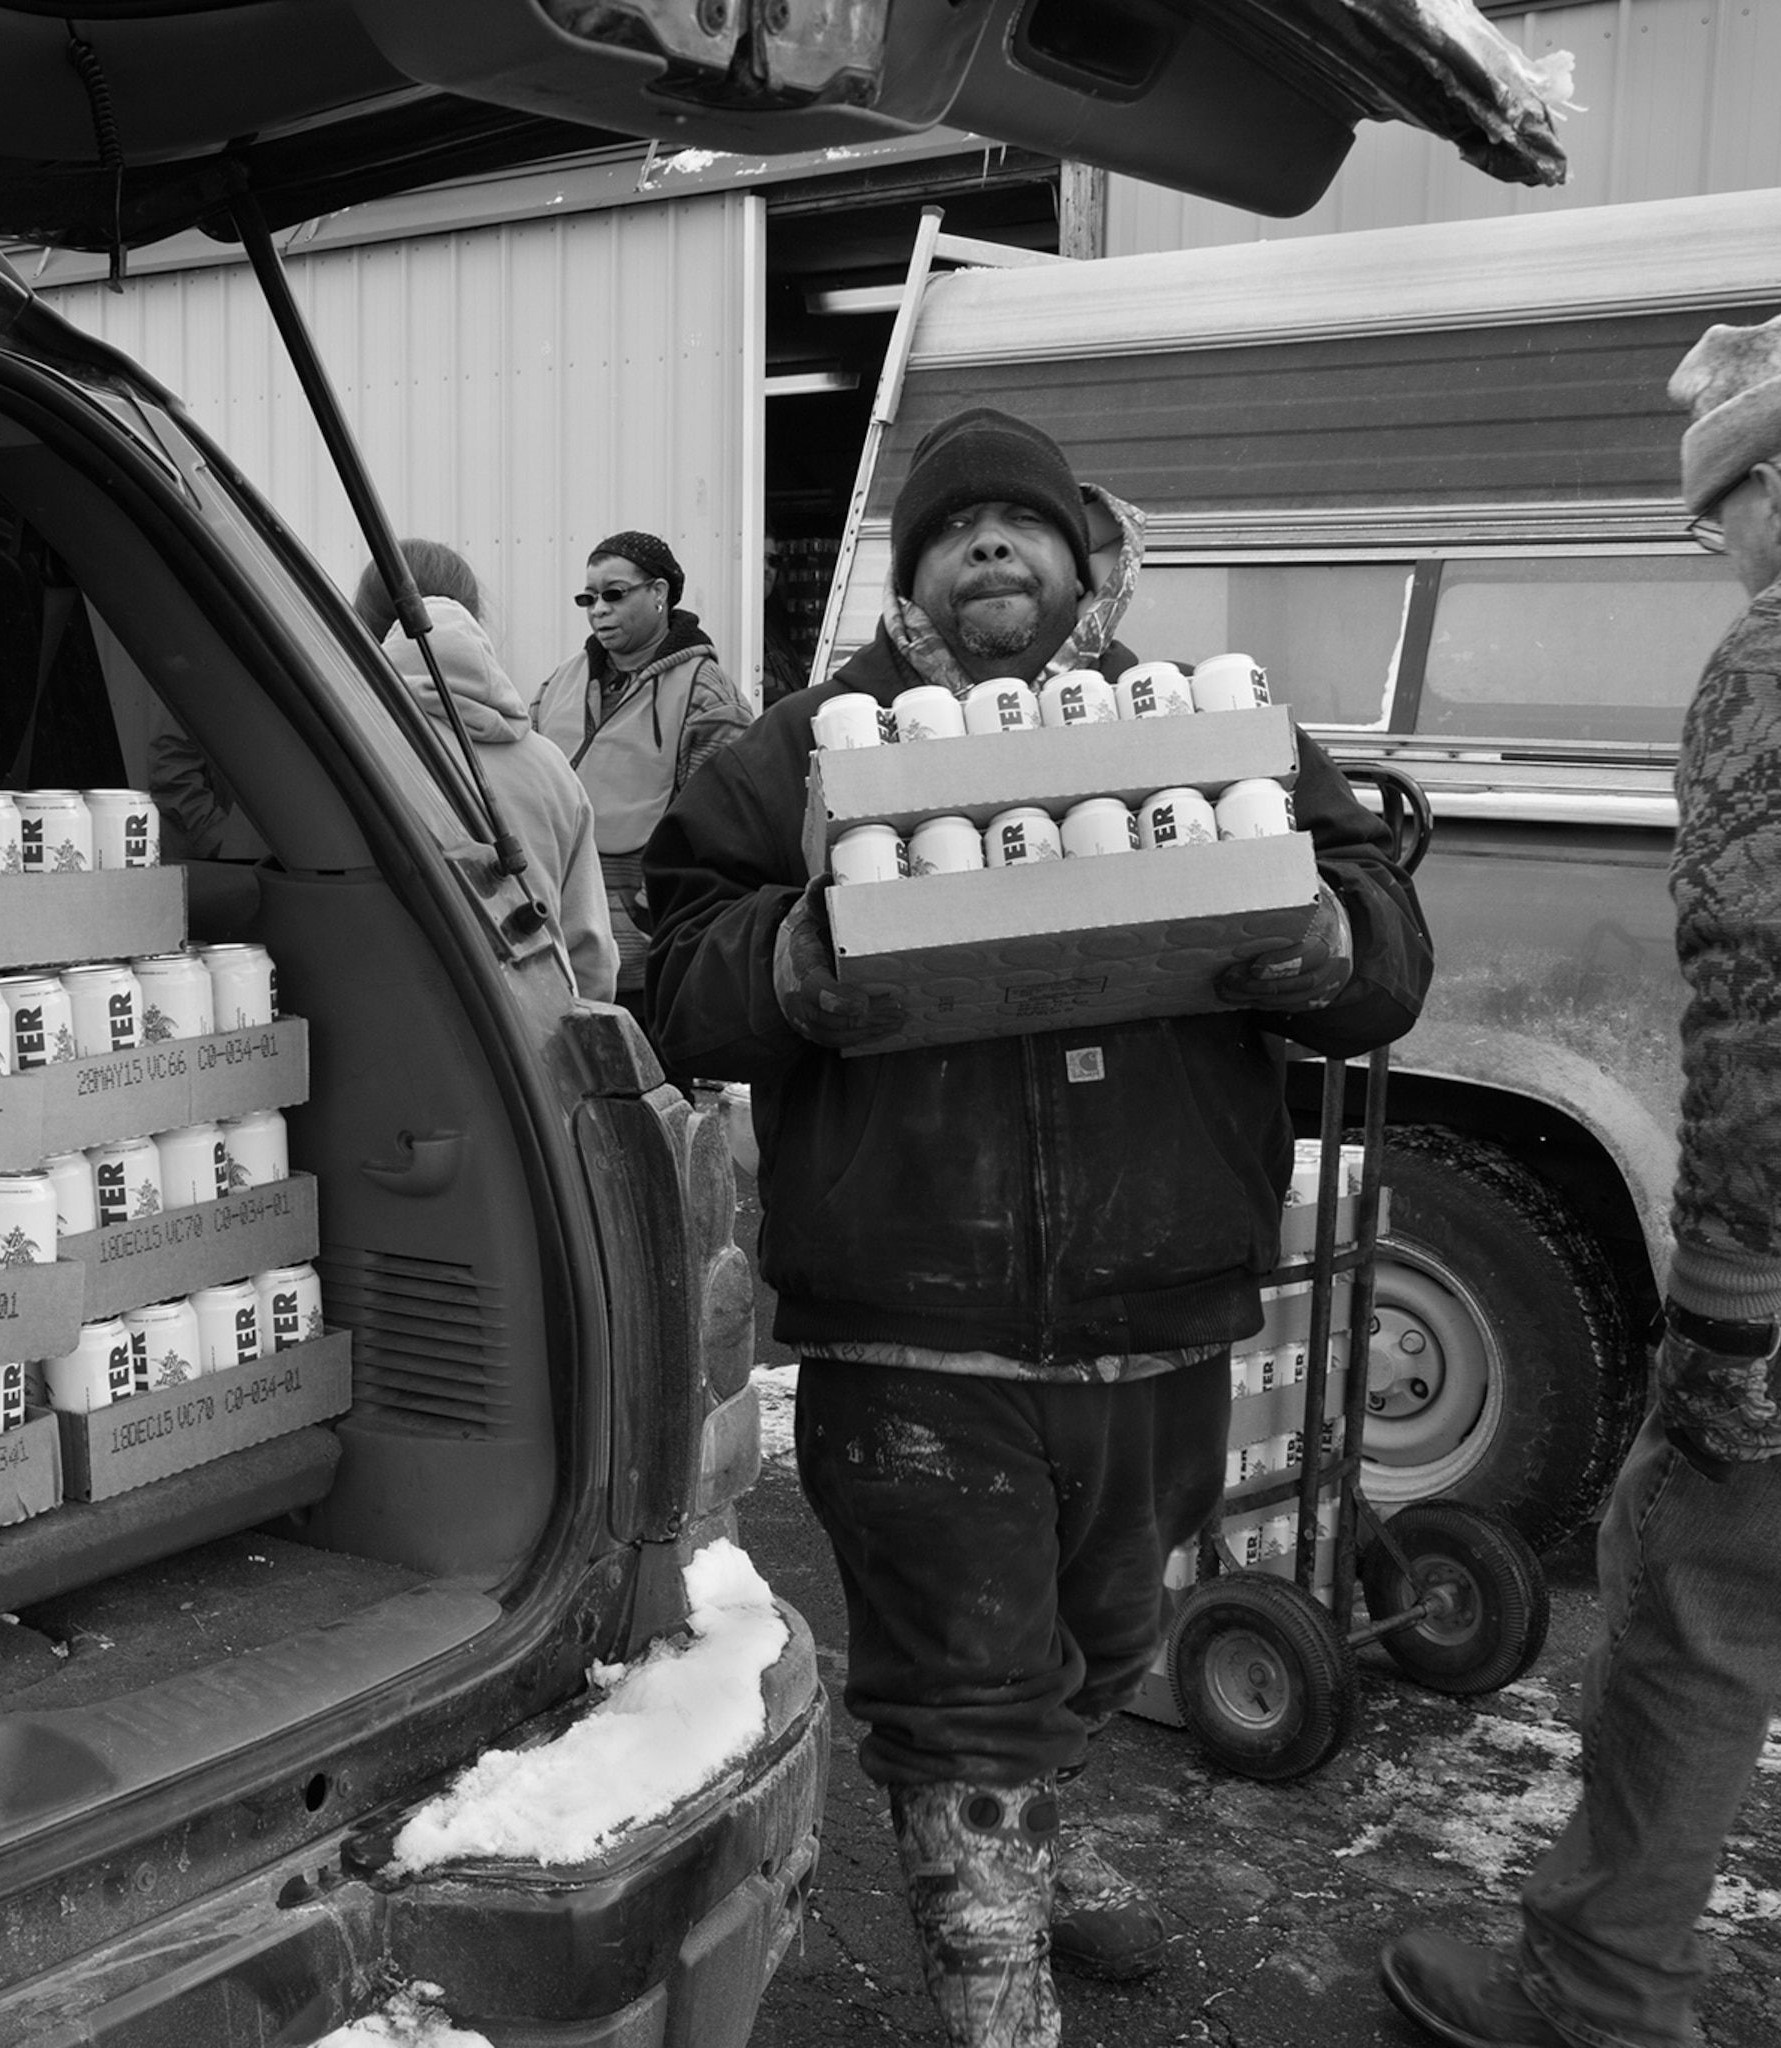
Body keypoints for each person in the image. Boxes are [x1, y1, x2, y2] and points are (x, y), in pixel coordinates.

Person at [639, 407, 1430, 2048]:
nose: (989, 544)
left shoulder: (1217, 735)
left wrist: (1318, 936)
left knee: (1102, 1637)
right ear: (910, 573)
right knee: (963, 1684)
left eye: (1023, 522)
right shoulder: (794, 755)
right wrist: (797, 962)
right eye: (953, 527)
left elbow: (1387, 951)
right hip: (913, 1312)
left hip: (1161, 1303)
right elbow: (675, 973)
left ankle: (1027, 1857)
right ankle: (997, 1985)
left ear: (1081, 561)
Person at [1380, 308, 1781, 2048]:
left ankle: (1590, 1990)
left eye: (1708, 519)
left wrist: (1718, 1323)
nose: (1715, 558)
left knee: (1698, 1595)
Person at [355, 542, 618, 1002]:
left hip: (390, 1027)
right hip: (534, 1036)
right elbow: (591, 958)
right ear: (475, 619)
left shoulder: (350, 744)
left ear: (362, 625)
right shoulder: (549, 765)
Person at [530, 531, 749, 1034]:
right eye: (588, 598)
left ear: (659, 594)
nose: (597, 610)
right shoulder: (558, 683)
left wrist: (656, 916)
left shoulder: (708, 698)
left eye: (614, 594)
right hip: (556, 954)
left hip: (647, 968)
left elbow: (717, 833)